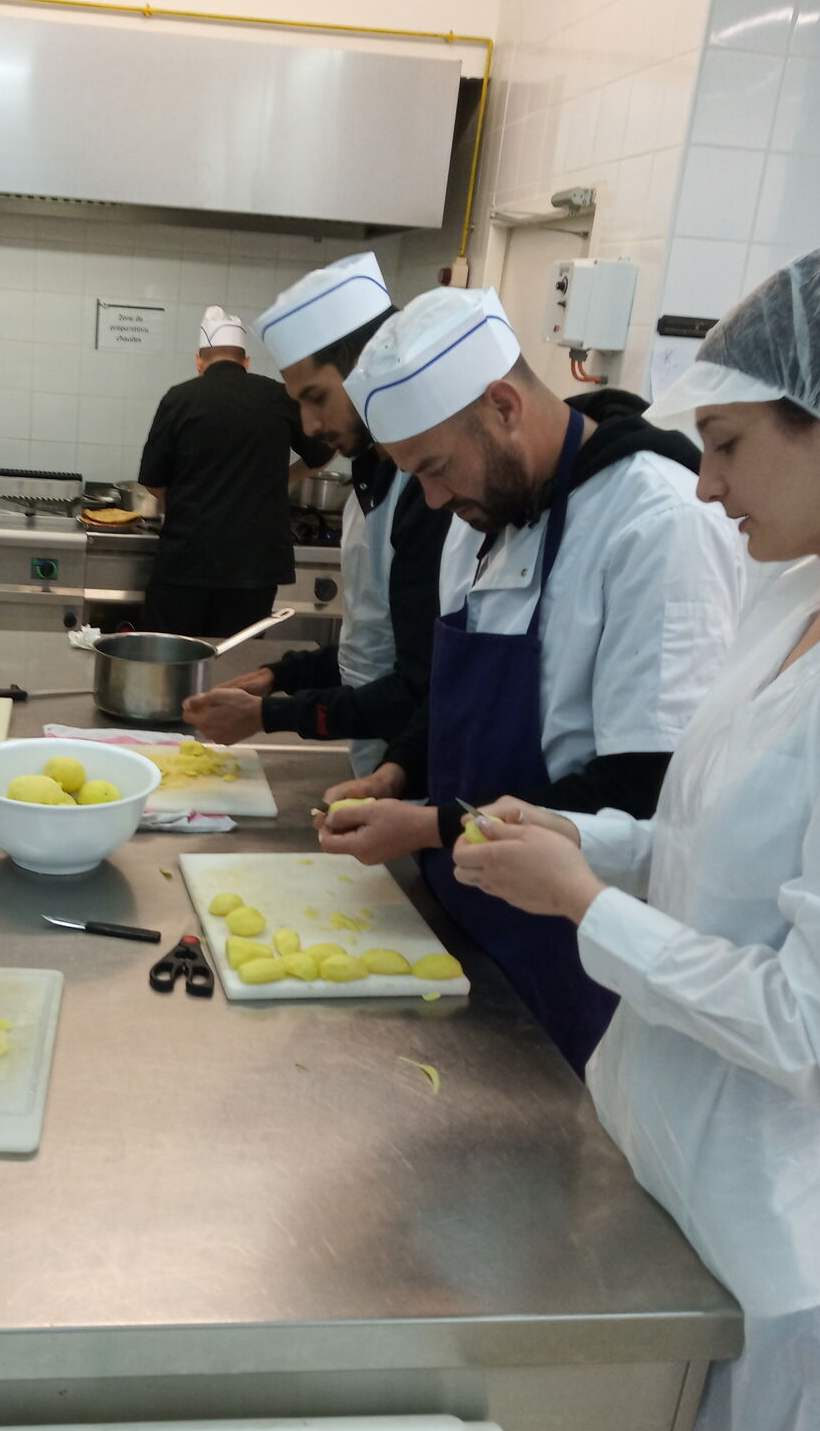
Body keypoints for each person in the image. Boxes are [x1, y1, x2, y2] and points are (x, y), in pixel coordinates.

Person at [450, 244, 820, 1431]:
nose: (709, 481)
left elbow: (815, 1027)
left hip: (777, 1252)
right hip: (658, 1175)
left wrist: (594, 911)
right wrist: (586, 842)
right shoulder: (793, 602)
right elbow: (713, 838)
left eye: (730, 445)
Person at [317, 287, 744, 1073]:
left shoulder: (657, 525)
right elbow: (452, 696)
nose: (434, 499)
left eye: (437, 469)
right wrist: (399, 768)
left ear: (505, 404)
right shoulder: (478, 519)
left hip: (569, 961)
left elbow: (645, 793)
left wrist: (428, 825)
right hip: (464, 932)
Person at [183, 254, 451, 777]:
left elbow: (422, 686)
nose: (308, 424)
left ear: (367, 367)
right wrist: (278, 676)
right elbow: (371, 649)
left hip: (417, 777)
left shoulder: (432, 499)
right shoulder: (371, 482)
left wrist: (271, 713)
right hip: (376, 768)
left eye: (316, 398)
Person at [138, 305, 334, 639]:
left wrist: (190, 504)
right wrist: (284, 479)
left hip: (187, 560)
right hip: (254, 569)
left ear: (198, 362)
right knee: (237, 663)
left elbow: (153, 483)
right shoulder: (278, 396)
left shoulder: (179, 399)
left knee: (171, 665)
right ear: (246, 362)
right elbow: (322, 454)